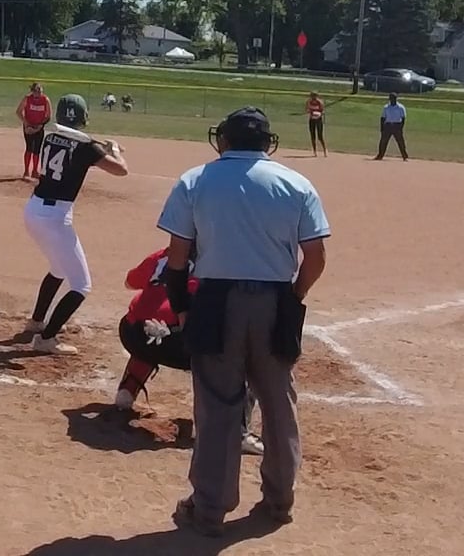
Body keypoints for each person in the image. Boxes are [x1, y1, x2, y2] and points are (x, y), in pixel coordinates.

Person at [157, 106, 329, 537]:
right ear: (267, 143)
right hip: (275, 298)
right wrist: (292, 298)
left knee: (218, 407)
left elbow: (177, 257)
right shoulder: (297, 183)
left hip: (216, 301)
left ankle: (210, 509)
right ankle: (279, 500)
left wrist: (182, 307)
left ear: (224, 140)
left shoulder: (195, 180)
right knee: (279, 404)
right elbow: (315, 257)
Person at [113, 244, 264, 456]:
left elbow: (130, 282)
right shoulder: (218, 260)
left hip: (131, 333)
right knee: (244, 356)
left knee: (150, 330)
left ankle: (127, 391)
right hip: (177, 342)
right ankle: (238, 433)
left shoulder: (164, 255)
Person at [23, 94, 129, 353]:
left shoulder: (50, 137)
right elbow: (121, 170)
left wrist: (97, 149)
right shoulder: (87, 147)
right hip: (55, 217)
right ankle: (45, 339)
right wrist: (114, 149)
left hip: (34, 210)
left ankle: (36, 322)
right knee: (82, 285)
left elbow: (76, 151)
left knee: (58, 268)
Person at [15, 81, 53, 180]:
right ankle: (26, 171)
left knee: (37, 149)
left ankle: (35, 171)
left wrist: (41, 125)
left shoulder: (45, 100)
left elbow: (49, 116)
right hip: (29, 126)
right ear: (33, 91)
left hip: (39, 127)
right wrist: (26, 123)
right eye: (37, 91)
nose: (39, 93)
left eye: (40, 91)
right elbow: (18, 111)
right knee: (29, 148)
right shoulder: (27, 99)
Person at [375, 93, 409, 161]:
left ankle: (405, 156)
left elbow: (403, 118)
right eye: (391, 99)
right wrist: (382, 128)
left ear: (396, 99)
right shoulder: (386, 107)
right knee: (383, 141)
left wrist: (401, 127)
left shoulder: (401, 107)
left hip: (397, 125)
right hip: (388, 125)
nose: (392, 100)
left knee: (400, 142)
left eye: (393, 99)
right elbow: (383, 118)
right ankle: (380, 156)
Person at [304, 93, 327, 157]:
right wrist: (309, 111)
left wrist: (319, 114)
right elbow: (306, 109)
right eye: (312, 96)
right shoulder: (309, 101)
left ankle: (325, 150)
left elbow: (323, 111)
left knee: (320, 136)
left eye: (314, 96)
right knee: (312, 136)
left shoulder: (320, 102)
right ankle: (315, 151)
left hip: (318, 120)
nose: (313, 97)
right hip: (312, 120)